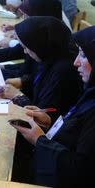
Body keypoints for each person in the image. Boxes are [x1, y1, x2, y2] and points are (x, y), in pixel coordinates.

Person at [11, 26, 95, 187]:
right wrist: (48, 122)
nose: (76, 62)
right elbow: (77, 128)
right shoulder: (90, 92)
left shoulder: (63, 72)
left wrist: (39, 140)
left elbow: (80, 169)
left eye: (84, 55)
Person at [0, 16, 82, 117]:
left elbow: (45, 116)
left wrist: (18, 96)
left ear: (39, 45)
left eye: (26, 47)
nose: (25, 52)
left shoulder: (63, 70)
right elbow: (41, 81)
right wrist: (22, 82)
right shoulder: (50, 57)